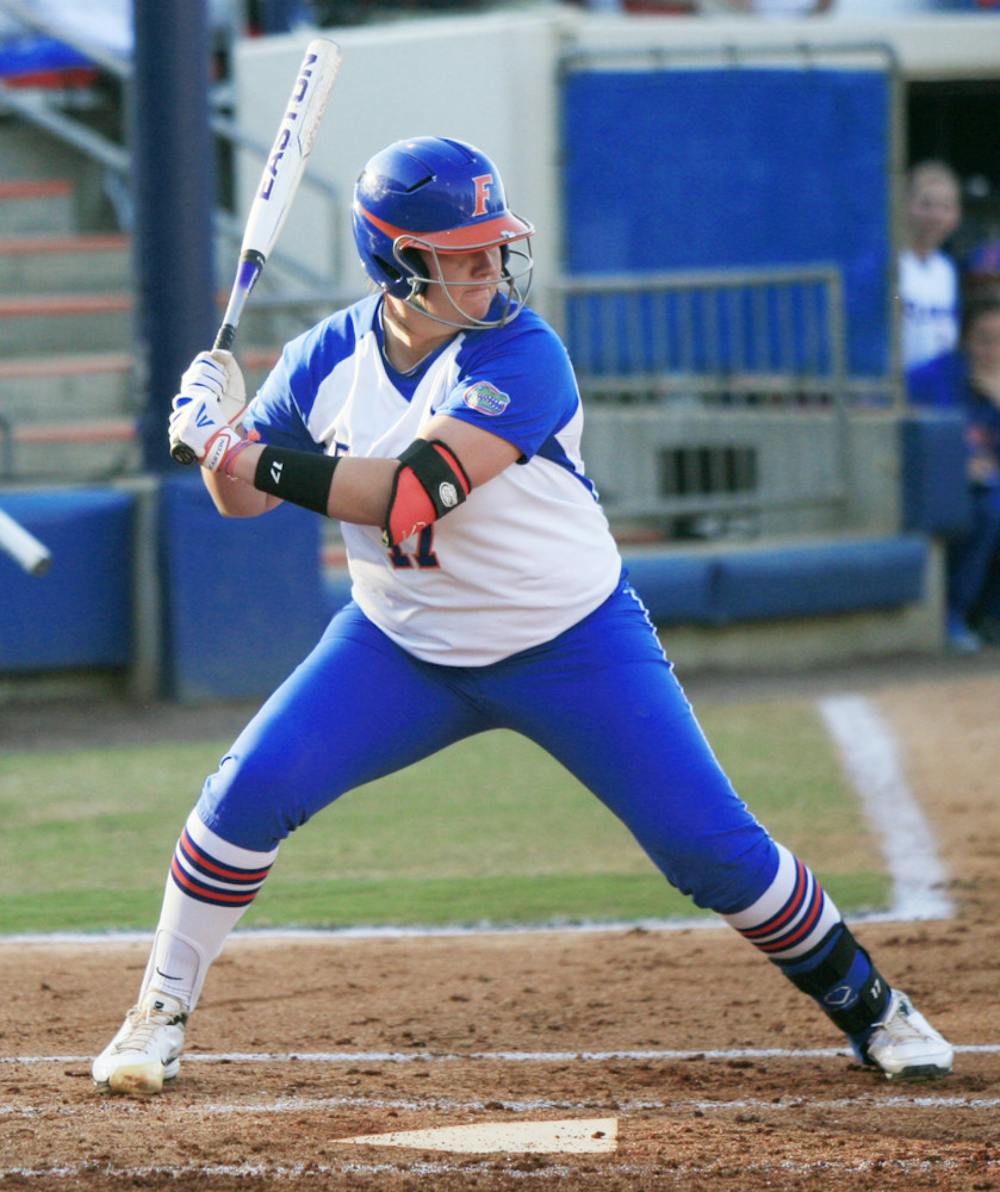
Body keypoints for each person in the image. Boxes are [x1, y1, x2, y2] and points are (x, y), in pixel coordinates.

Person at [92, 135, 952, 1096]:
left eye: (494, 245)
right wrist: (215, 434)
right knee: (242, 796)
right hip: (401, 645)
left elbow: (412, 494)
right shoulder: (325, 355)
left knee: (708, 848)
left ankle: (873, 1007)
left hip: (570, 640)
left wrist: (235, 449)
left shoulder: (523, 351)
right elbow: (241, 503)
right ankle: (156, 1012)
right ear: (396, 261)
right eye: (461, 252)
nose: (490, 266)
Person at [908, 295, 1000, 650]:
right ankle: (953, 614)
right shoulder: (933, 377)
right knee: (991, 511)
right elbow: (904, 430)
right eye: (984, 340)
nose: (993, 350)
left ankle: (991, 615)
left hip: (987, 486)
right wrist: (952, 462)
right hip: (937, 487)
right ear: (965, 341)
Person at [899, 160, 963, 371]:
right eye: (925, 204)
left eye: (945, 207)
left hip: (934, 392)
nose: (935, 216)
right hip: (892, 389)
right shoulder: (888, 264)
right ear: (905, 205)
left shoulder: (947, 270)